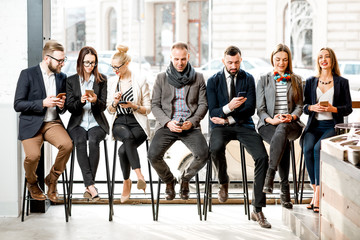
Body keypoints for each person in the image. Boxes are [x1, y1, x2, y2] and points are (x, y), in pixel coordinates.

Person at [206, 45, 271, 228]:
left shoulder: (248, 78)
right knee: (215, 148)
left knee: (262, 157)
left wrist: (228, 118)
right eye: (229, 62)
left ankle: (257, 208)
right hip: (219, 127)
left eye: (236, 62)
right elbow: (213, 111)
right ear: (223, 61)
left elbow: (250, 108)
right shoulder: (213, 81)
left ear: (241, 60)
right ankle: (223, 182)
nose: (233, 66)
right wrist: (230, 106)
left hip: (243, 125)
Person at [148, 42, 208, 201]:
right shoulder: (161, 78)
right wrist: (167, 122)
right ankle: (169, 180)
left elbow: (203, 104)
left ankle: (185, 179)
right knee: (153, 155)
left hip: (189, 125)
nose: (180, 63)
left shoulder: (198, 78)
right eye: (176, 59)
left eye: (183, 59)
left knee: (203, 154)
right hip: (168, 124)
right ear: (171, 58)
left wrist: (193, 121)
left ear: (188, 57)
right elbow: (154, 105)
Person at [14, 40, 73, 202]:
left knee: (67, 145)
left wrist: (62, 105)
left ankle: (52, 179)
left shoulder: (62, 77)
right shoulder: (27, 74)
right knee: (33, 156)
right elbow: (18, 104)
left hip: (52, 123)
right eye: (59, 60)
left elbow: (63, 107)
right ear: (47, 59)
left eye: (63, 60)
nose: (62, 63)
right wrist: (42, 103)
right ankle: (32, 183)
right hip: (31, 123)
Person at [302, 47, 352, 213]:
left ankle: (317, 196)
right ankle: (316, 190)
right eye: (320, 57)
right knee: (307, 148)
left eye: (327, 57)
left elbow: (348, 108)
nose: (323, 59)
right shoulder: (310, 81)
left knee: (318, 149)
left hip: (332, 126)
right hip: (314, 126)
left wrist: (333, 109)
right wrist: (312, 107)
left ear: (332, 60)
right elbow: (303, 106)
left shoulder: (341, 82)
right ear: (317, 61)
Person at [256, 43, 304, 209]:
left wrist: (291, 116)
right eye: (278, 59)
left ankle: (270, 175)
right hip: (269, 125)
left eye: (284, 60)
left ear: (289, 60)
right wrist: (272, 120)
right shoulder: (263, 79)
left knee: (283, 130)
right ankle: (285, 192)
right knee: (280, 138)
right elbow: (260, 110)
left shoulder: (296, 80)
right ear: (272, 59)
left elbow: (299, 106)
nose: (281, 63)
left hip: (291, 124)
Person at [107, 45, 151, 203]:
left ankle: (127, 182)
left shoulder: (140, 80)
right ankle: (140, 176)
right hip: (120, 122)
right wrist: (115, 102)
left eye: (117, 67)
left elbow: (148, 109)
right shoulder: (112, 82)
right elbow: (110, 110)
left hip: (137, 121)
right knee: (126, 136)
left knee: (122, 151)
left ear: (126, 65)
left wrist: (134, 106)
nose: (114, 70)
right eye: (112, 67)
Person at [66, 46, 109, 201]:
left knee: (93, 141)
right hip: (78, 123)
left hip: (97, 122)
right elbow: (70, 107)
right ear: (80, 62)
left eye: (93, 63)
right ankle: (91, 186)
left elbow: (103, 106)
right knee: (79, 141)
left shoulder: (102, 80)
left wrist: (96, 100)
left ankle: (88, 185)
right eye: (87, 63)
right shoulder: (71, 80)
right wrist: (80, 101)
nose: (90, 66)